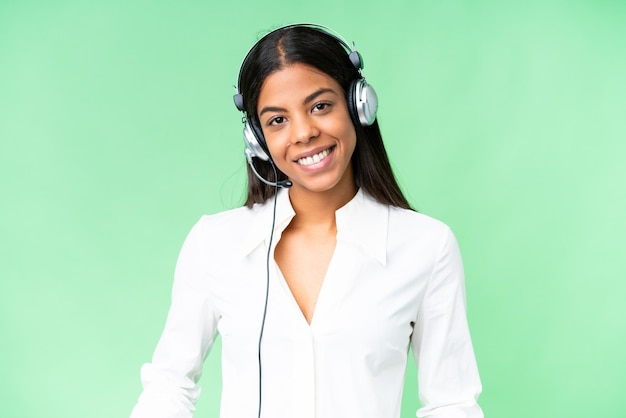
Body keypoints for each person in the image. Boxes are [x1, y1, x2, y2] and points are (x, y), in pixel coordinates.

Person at [130, 24, 483, 418]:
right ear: (257, 139)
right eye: (277, 120)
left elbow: (452, 404)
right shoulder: (214, 243)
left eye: (320, 106)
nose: (304, 133)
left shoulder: (426, 247)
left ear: (358, 105)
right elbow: (169, 386)